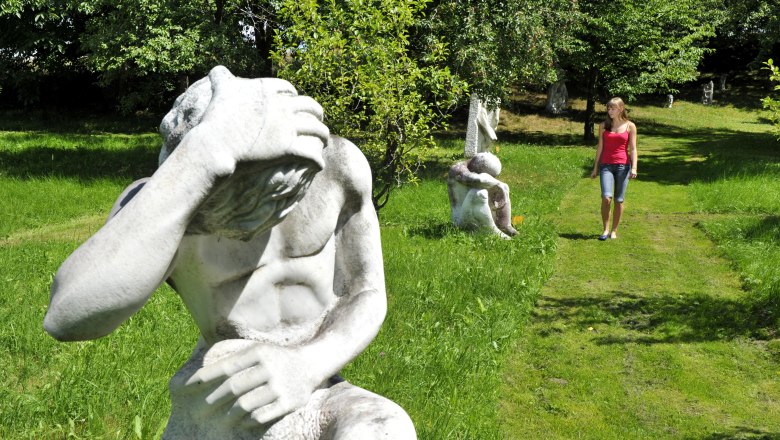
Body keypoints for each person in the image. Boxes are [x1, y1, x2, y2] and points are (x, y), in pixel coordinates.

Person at [43, 66, 416, 439]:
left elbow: (366, 292)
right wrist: (206, 153)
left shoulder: (338, 169)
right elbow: (67, 316)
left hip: (320, 373)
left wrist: (306, 365)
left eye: (282, 198)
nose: (260, 224)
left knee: (386, 430)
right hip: (227, 381)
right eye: (236, 208)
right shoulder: (166, 204)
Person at [590, 97, 638, 240]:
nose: (610, 111)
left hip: (623, 167)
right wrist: (595, 168)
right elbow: (600, 147)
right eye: (608, 108)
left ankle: (614, 230)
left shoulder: (630, 126)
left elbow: (633, 149)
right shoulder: (604, 125)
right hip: (606, 166)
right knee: (606, 198)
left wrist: (634, 167)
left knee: (619, 199)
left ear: (620, 109)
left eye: (613, 108)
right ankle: (605, 229)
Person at [447, 152, 518, 239]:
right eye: (490, 175)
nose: (493, 178)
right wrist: (498, 184)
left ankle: (504, 225)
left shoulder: (475, 168)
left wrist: (502, 187)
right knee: (479, 193)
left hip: (474, 212)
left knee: (504, 186)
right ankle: (489, 230)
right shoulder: (457, 169)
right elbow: (479, 180)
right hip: (460, 220)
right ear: (476, 169)